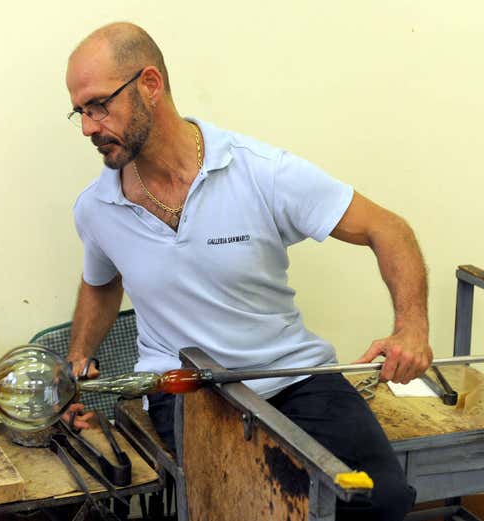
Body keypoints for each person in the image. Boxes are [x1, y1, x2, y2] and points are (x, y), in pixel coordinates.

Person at [63, 22, 432, 521]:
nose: (88, 127)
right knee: (250, 507)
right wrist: (77, 364)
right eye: (80, 112)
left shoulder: (261, 172)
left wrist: (411, 327)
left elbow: (388, 229)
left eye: (99, 105)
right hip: (187, 391)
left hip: (291, 376)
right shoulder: (98, 207)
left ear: (150, 85)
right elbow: (102, 283)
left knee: (376, 500)